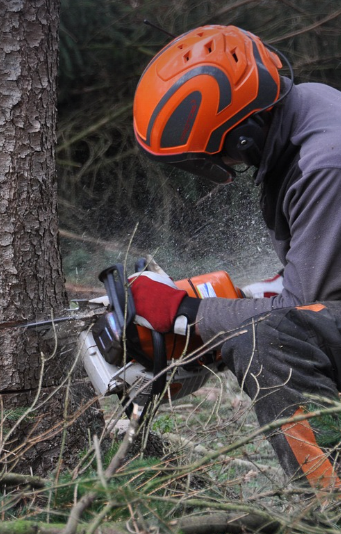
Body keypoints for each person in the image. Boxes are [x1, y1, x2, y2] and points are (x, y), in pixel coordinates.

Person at [130, 24, 341, 492]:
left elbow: (304, 314)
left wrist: (190, 314)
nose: (222, 164)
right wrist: (228, 299)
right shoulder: (308, 109)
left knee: (272, 344)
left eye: (218, 152)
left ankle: (330, 504)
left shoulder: (324, 164)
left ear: (243, 133)